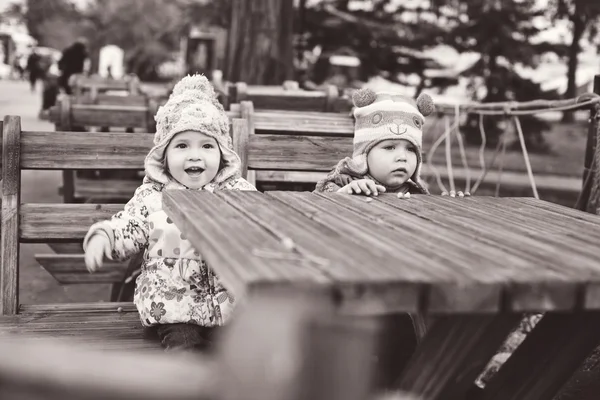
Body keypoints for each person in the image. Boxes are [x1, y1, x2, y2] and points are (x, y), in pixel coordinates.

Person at [83, 74, 256, 352]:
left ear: (222, 154)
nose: (195, 156)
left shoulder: (235, 190)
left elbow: (262, 221)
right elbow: (131, 223)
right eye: (182, 145)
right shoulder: (153, 196)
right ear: (163, 155)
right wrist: (106, 237)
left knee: (245, 355)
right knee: (184, 352)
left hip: (230, 308)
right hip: (175, 308)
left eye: (207, 145)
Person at [315, 87, 435, 197]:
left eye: (411, 149)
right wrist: (344, 193)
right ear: (364, 155)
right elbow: (317, 200)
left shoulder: (416, 194)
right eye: (389, 147)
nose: (402, 157)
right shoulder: (344, 182)